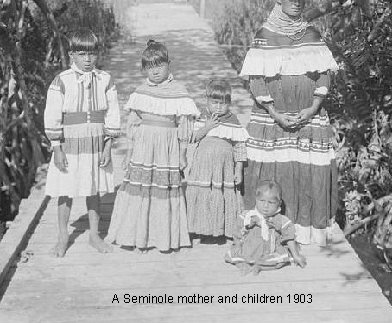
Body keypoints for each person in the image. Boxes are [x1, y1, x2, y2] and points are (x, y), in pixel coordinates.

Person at [240, 0, 340, 246]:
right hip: (273, 119)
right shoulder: (265, 35)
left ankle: (304, 228)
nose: (297, 1)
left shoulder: (311, 33)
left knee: (306, 171)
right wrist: (274, 112)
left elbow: (324, 74)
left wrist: (312, 108)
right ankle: (266, 226)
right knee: (273, 169)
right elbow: (256, 78)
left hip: (308, 118)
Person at [105, 40, 199, 252]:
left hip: (167, 147)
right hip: (144, 146)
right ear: (144, 69)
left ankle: (163, 236)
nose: (155, 71)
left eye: (159, 65)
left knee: (162, 187)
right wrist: (129, 152)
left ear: (169, 64)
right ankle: (138, 235)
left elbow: (184, 126)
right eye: (149, 67)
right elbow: (133, 125)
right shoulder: (140, 92)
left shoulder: (179, 92)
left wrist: (183, 153)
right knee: (142, 187)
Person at [44, 29, 120, 257]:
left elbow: (112, 114)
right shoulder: (62, 81)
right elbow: (52, 115)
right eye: (81, 54)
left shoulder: (105, 80)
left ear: (97, 54)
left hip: (96, 142)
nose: (87, 60)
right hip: (69, 143)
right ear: (71, 55)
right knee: (65, 190)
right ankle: (62, 236)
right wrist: (57, 147)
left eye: (92, 54)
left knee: (94, 188)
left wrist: (107, 145)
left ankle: (95, 235)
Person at [185, 79, 249, 240]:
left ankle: (220, 228)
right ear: (207, 101)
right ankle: (200, 227)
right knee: (204, 194)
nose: (218, 107)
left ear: (229, 103)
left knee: (221, 194)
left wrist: (238, 169)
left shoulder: (233, 121)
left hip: (224, 168)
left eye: (223, 103)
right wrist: (207, 126)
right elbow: (192, 138)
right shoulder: (202, 117)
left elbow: (240, 146)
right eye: (214, 103)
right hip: (204, 166)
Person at [224, 180, 307, 274]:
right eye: (262, 201)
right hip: (249, 249)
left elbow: (289, 237)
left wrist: (296, 255)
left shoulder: (279, 219)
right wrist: (238, 245)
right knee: (238, 256)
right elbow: (238, 233)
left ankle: (259, 267)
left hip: (269, 251)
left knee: (280, 261)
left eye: (271, 203)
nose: (265, 206)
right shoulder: (248, 216)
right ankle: (246, 264)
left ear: (279, 203)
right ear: (256, 199)